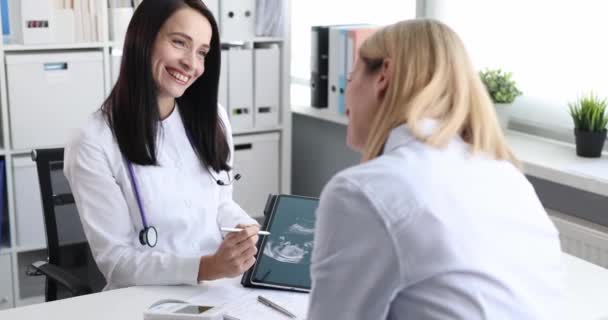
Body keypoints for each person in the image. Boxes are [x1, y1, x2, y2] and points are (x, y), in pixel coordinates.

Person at [307, 19, 565, 319]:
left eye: (351, 77)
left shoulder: (363, 191)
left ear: (383, 76)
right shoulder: (506, 175)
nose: (346, 94)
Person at [64, 0, 260, 290]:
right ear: (142, 40)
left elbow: (220, 203)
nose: (192, 64)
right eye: (180, 42)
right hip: (144, 299)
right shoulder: (93, 141)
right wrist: (206, 267)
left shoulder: (212, 118)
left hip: (216, 289)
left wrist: (243, 228)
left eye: (202, 53)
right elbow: (117, 263)